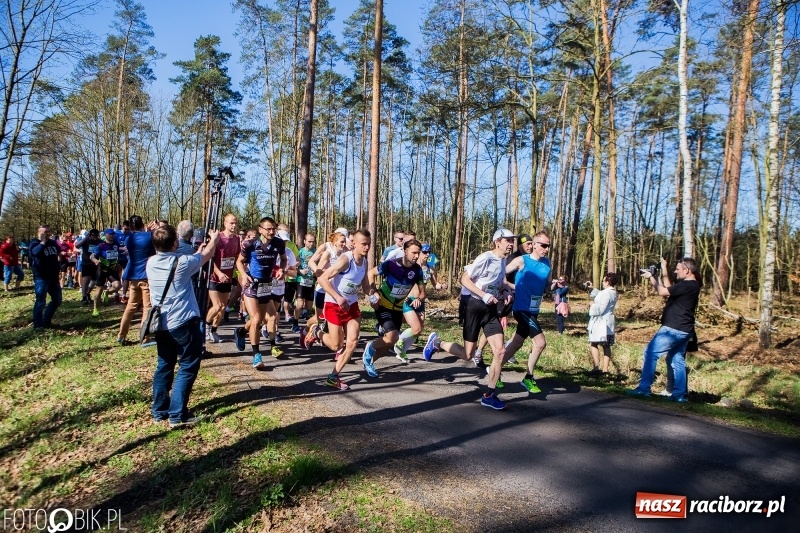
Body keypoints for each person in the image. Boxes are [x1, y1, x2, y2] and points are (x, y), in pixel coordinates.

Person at [423, 228, 516, 410]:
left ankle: (489, 394)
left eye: (512, 241)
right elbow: (463, 279)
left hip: (490, 311)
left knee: (500, 352)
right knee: (468, 354)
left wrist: (506, 291)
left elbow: (497, 282)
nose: (511, 244)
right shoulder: (486, 258)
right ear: (498, 241)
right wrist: (483, 295)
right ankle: (437, 343)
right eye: (508, 241)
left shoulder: (503, 260)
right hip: (474, 307)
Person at [148, 224, 220, 428]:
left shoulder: (151, 262)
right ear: (175, 242)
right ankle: (177, 415)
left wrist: (199, 251)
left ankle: (159, 410)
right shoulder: (182, 263)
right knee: (188, 365)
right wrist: (214, 239)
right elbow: (205, 256)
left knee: (164, 365)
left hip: (161, 323)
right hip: (182, 322)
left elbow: (197, 257)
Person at [627, 257, 700, 403]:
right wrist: (664, 268)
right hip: (684, 330)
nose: (676, 271)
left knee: (650, 352)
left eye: (678, 269)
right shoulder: (691, 285)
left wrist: (652, 277)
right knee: (676, 358)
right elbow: (668, 288)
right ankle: (679, 395)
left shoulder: (687, 285)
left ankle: (644, 389)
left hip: (673, 329)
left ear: (687, 270)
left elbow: (662, 292)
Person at [307, 229, 372, 390]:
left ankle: (333, 376)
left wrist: (374, 294)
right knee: (336, 345)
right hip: (334, 304)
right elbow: (322, 278)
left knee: (352, 342)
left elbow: (365, 287)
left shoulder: (364, 262)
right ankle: (316, 332)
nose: (367, 248)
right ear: (354, 244)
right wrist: (338, 297)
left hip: (351, 305)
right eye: (363, 244)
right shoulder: (345, 259)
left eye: (369, 244)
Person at [363, 239, 426, 375]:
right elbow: (370, 274)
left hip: (398, 308)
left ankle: (369, 362)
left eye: (418, 253)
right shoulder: (391, 264)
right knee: (392, 337)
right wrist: (373, 293)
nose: (416, 256)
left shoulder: (417, 270)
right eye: (413, 252)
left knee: (388, 346)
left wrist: (418, 300)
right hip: (383, 305)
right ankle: (371, 346)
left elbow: (422, 292)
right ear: (405, 251)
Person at [234, 216, 287, 368]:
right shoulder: (250, 244)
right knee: (256, 318)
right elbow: (239, 261)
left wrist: (282, 270)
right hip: (252, 283)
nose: (272, 231)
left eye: (273, 229)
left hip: (266, 284)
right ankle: (256, 355)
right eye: (268, 229)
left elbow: (283, 259)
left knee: (262, 319)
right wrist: (243, 275)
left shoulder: (278, 243)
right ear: (260, 230)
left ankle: (242, 332)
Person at [117, 215, 156, 345]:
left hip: (133, 276)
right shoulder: (149, 236)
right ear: (142, 224)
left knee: (131, 306)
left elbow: (140, 240)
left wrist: (147, 231)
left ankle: (121, 335)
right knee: (147, 307)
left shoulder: (129, 239)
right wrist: (150, 231)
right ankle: (144, 338)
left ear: (131, 226)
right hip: (145, 276)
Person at [205, 214, 240, 343]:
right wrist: (219, 273)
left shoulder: (237, 239)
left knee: (223, 306)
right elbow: (209, 258)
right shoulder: (217, 237)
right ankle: (205, 327)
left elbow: (237, 258)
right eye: (231, 223)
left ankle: (213, 330)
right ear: (225, 223)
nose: (234, 225)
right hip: (215, 277)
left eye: (235, 223)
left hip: (228, 277)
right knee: (217, 305)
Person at [29, 225, 63, 328]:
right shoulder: (34, 243)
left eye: (48, 232)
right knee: (41, 302)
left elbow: (59, 252)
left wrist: (59, 264)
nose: (47, 234)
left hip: (53, 277)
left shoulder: (52, 243)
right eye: (44, 232)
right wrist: (42, 242)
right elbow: (34, 253)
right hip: (41, 277)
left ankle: (46, 321)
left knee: (57, 300)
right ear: (38, 233)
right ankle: (38, 325)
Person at [585, 272, 619, 374]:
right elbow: (600, 295)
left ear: (608, 282)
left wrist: (592, 305)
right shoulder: (612, 292)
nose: (603, 282)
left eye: (604, 280)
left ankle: (597, 368)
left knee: (593, 343)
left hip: (601, 323)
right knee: (606, 346)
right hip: (607, 323)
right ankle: (604, 370)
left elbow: (600, 308)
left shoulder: (607, 293)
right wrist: (592, 289)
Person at [89, 229, 122, 317]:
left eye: (113, 234)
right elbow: (92, 256)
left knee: (118, 286)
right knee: (99, 289)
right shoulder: (101, 245)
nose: (111, 236)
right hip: (102, 268)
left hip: (112, 269)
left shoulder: (116, 244)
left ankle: (107, 293)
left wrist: (118, 263)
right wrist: (95, 260)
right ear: (106, 235)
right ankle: (95, 308)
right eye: (110, 234)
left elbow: (118, 254)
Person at [294, 233, 317, 332]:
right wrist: (300, 271)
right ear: (304, 241)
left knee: (309, 306)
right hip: (301, 280)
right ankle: (295, 323)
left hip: (311, 281)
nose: (311, 243)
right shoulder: (300, 252)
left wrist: (315, 272)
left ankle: (306, 319)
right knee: (299, 304)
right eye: (309, 241)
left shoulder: (316, 252)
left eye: (313, 241)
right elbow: (293, 267)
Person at [75, 229, 102, 305]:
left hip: (95, 264)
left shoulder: (99, 242)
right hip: (86, 263)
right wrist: (85, 239)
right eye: (93, 236)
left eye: (96, 236)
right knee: (86, 280)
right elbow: (76, 245)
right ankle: (84, 297)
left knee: (94, 280)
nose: (95, 238)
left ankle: (88, 293)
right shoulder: (86, 240)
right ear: (90, 235)